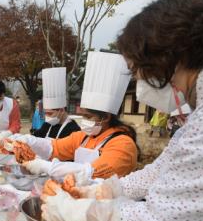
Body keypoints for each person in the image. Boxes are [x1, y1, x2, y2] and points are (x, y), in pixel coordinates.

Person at [39, 0, 203, 221]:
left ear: (169, 58)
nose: (139, 80)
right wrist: (104, 191)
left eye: (136, 70)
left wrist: (81, 211)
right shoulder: (195, 121)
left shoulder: (126, 140)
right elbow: (161, 171)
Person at [13, 51, 138, 180]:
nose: (84, 121)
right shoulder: (83, 137)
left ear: (106, 117)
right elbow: (54, 148)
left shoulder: (123, 144)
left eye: (88, 117)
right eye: (82, 116)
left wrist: (48, 167)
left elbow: (93, 172)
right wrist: (26, 141)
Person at [32, 68, 81, 139]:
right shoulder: (48, 124)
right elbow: (36, 136)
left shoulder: (73, 129)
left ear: (61, 110)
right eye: (45, 113)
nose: (47, 117)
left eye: (50, 113)